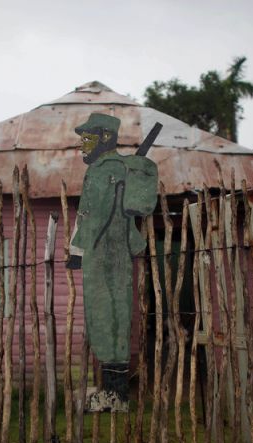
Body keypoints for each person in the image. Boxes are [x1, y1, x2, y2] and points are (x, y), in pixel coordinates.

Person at [68, 113, 158, 412]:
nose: (82, 142)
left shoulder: (100, 170)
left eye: (88, 136)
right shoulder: (124, 167)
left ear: (105, 137)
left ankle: (114, 396)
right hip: (120, 251)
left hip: (100, 251)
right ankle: (115, 394)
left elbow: (91, 214)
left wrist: (77, 251)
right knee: (117, 317)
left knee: (103, 318)